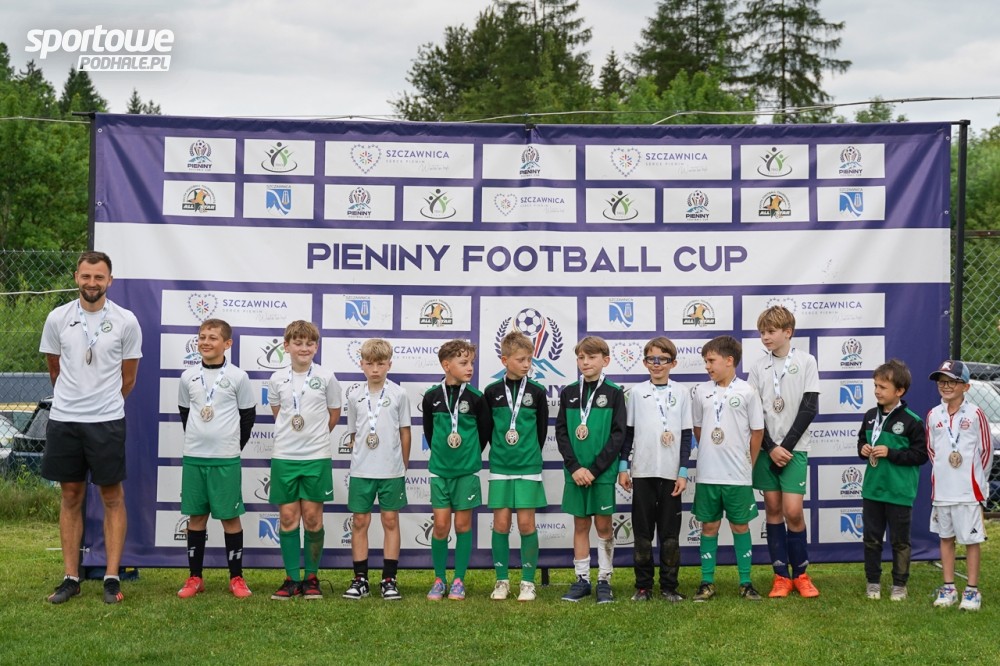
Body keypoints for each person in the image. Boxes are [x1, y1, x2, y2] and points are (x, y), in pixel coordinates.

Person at [40, 251, 142, 605]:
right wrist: (74, 401)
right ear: (76, 277)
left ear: (110, 280)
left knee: (112, 497)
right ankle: (71, 577)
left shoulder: (126, 320)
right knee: (70, 495)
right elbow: (55, 369)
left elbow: (129, 378)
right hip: (65, 420)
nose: (92, 283)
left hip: (107, 421)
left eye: (99, 277)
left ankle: (111, 578)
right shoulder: (58, 317)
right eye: (86, 276)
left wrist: (102, 404)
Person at [176, 318, 257, 599]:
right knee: (196, 517)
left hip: (225, 459)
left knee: (230, 518)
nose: (205, 342)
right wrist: (200, 439)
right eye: (202, 337)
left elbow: (248, 417)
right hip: (194, 457)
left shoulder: (238, 376)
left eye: (212, 338)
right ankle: (195, 577)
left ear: (227, 343)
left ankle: (236, 578)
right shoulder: (188, 376)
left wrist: (231, 445)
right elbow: (185, 413)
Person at [747, 306, 820, 598]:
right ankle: (780, 577)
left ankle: (801, 574)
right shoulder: (758, 367)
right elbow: (754, 414)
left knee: (793, 511)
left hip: (794, 450)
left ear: (787, 332)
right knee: (774, 509)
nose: (765, 337)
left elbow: (809, 408)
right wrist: (770, 448)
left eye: (771, 331)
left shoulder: (806, 361)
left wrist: (785, 448)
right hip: (767, 450)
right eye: (762, 332)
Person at [266, 321, 342, 600]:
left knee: (312, 518)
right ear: (286, 346)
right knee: (287, 518)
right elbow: (279, 413)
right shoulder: (277, 378)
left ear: (316, 347)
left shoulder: (326, 377)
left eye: (309, 343)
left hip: (316, 457)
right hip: (285, 456)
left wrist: (315, 437)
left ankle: (311, 578)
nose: (304, 348)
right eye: (297, 343)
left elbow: (334, 413)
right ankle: (291, 579)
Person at [690, 335, 765, 602]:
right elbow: (698, 429)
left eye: (711, 360)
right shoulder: (701, 392)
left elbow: (757, 432)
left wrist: (748, 463)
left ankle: (745, 582)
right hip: (708, 473)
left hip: (738, 475)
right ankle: (706, 582)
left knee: (740, 526)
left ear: (729, 360)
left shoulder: (748, 391)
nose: (707, 366)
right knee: (709, 526)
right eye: (705, 361)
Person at [618, 337, 692, 602]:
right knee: (642, 533)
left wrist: (682, 471)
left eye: (663, 359)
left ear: (673, 363)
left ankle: (669, 586)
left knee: (670, 535)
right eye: (652, 359)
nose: (657, 364)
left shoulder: (682, 393)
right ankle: (643, 586)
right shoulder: (636, 393)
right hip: (643, 472)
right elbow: (628, 433)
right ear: (644, 362)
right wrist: (624, 467)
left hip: (671, 475)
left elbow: (686, 435)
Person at [557, 336, 627, 604]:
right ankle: (582, 579)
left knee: (604, 525)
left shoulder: (614, 393)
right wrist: (575, 467)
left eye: (591, 357)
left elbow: (618, 436)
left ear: (605, 360)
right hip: (575, 474)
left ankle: (604, 580)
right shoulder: (569, 392)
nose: (585, 362)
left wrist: (595, 470)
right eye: (581, 358)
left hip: (602, 474)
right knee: (580, 524)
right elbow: (562, 433)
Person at [421, 339, 492, 600]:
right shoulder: (431, 396)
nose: (469, 368)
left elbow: (484, 432)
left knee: (462, 525)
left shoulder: (477, 398)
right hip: (440, 472)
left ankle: (459, 579)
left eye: (471, 363)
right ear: (446, 365)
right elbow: (429, 432)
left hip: (466, 472)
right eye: (463, 363)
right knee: (441, 526)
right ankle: (439, 579)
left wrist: (469, 456)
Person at [483, 330, 549, 602]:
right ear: (505, 360)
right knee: (501, 524)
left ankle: (527, 582)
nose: (526, 364)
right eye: (521, 359)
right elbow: (487, 429)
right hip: (500, 465)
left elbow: (541, 431)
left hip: (528, 466)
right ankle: (501, 581)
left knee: (525, 524)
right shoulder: (491, 392)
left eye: (529, 359)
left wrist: (528, 454)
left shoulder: (537, 391)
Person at [343, 338, 411, 601]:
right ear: (361, 364)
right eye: (370, 363)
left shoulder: (399, 394)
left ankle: (389, 580)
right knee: (360, 521)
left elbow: (405, 432)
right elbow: (354, 433)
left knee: (390, 521)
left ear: (389, 365)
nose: (375, 369)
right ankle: (360, 579)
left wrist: (402, 465)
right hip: (362, 471)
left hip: (391, 471)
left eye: (380, 364)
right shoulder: (354, 395)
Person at [857, 359, 927, 601]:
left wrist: (891, 453)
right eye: (875, 386)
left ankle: (899, 584)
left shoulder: (912, 421)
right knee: (871, 539)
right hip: (872, 490)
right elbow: (861, 442)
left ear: (899, 391)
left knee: (900, 541)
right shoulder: (869, 416)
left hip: (899, 492)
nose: (877, 391)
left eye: (883, 387)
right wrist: (863, 449)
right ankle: (873, 582)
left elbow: (920, 455)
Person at [926, 360, 991, 611]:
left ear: (966, 386)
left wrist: (974, 479)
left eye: (952, 382)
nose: (946, 386)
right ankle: (949, 588)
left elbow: (985, 452)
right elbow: (933, 451)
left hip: (967, 491)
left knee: (971, 540)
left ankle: (972, 590)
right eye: (941, 381)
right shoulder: (934, 414)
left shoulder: (975, 414)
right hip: (943, 491)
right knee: (946, 538)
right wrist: (945, 472)